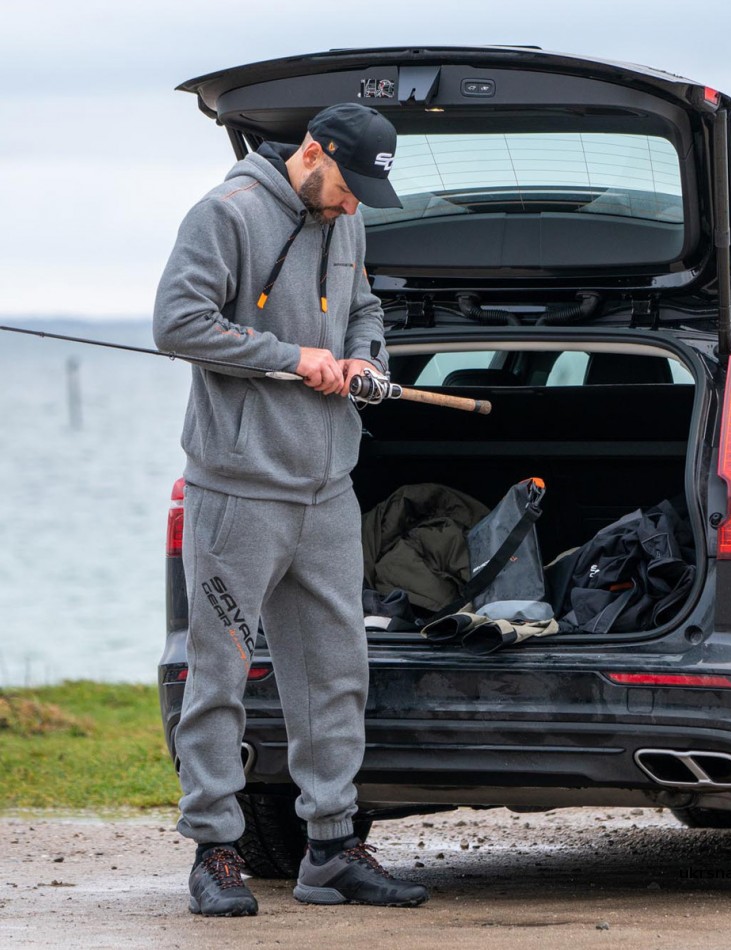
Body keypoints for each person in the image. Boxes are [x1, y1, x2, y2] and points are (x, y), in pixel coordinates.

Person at [153, 102, 428, 916]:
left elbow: (365, 310)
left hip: (328, 485)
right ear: (313, 152)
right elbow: (178, 323)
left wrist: (365, 361)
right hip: (238, 487)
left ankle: (332, 850)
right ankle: (214, 850)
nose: (353, 203)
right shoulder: (226, 214)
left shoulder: (347, 220)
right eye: (348, 185)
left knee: (338, 672)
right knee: (220, 672)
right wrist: (289, 357)